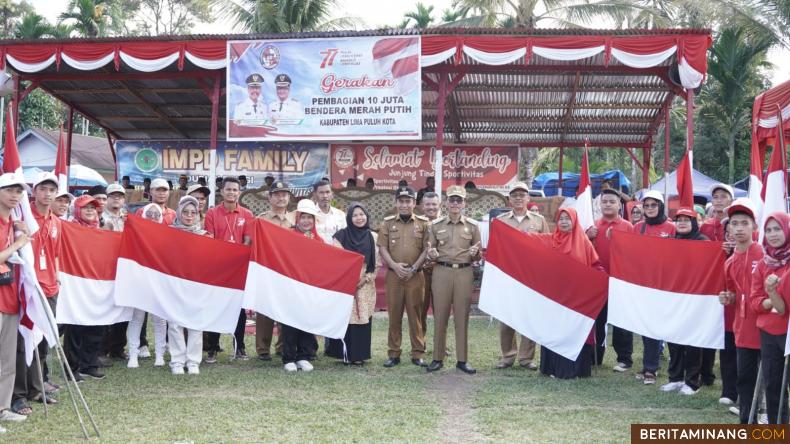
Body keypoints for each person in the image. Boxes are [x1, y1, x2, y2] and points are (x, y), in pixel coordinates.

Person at [535, 208, 603, 379]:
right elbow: (529, 241)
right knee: (555, 330)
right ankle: (552, 368)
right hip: (556, 296)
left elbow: (595, 265)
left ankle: (576, 369)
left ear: (574, 221)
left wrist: (603, 279)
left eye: (568, 219)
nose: (564, 222)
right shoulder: (550, 240)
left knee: (575, 329)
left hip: (577, 298)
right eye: (561, 219)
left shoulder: (584, 242)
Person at [426, 185, 482, 374]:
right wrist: (431, 253)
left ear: (464, 203)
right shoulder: (436, 225)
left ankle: (462, 359)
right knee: (440, 316)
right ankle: (437, 358)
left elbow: (477, 255)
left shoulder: (473, 227)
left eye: (459, 200)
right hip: (442, 271)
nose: (455, 203)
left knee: (462, 317)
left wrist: (476, 254)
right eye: (452, 200)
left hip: (464, 273)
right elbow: (430, 251)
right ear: (446, 203)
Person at [18, 173, 62, 406]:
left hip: (50, 288)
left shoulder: (56, 221)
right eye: (43, 189)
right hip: (29, 287)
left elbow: (55, 254)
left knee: (44, 340)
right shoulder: (24, 218)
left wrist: (57, 281)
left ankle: (37, 388)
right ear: (34, 192)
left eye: (51, 190)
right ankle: (21, 391)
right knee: (26, 340)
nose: (47, 194)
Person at [495, 182, 549, 370]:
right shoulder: (501, 220)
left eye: (522, 195)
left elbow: (547, 247)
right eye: (515, 195)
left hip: (530, 276)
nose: (518, 198)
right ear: (509, 199)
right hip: (508, 275)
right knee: (506, 317)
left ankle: (526, 357)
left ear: (528, 198)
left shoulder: (538, 221)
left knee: (529, 316)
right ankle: (507, 356)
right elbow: (496, 249)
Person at [719, 198, 763, 423]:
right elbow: (735, 295)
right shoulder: (729, 261)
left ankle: (770, 417)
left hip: (766, 328)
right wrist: (728, 298)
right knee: (745, 377)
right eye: (734, 223)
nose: (738, 228)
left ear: (754, 227)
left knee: (772, 379)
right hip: (743, 329)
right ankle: (747, 419)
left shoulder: (764, 255)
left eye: (744, 223)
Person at [378, 187, 430, 368]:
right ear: (396, 203)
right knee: (394, 314)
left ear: (414, 203)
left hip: (415, 276)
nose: (404, 204)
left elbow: (426, 249)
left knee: (416, 315)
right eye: (401, 201)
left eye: (408, 201)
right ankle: (394, 353)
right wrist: (394, 265)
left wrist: (414, 268)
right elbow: (382, 248)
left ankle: (418, 353)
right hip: (394, 276)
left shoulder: (424, 223)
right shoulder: (387, 223)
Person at [203, 177, 254, 363]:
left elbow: (248, 240)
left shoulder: (247, 214)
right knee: (216, 307)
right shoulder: (212, 213)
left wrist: (237, 257)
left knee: (238, 309)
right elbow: (210, 239)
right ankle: (213, 347)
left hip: (239, 267)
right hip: (218, 268)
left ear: (239, 193)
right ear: (222, 192)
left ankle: (239, 346)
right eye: (228, 189)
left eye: (235, 190)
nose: (232, 192)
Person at [660, 208, 709, 396]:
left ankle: (692, 381)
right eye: (678, 219)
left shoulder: (703, 242)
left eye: (686, 220)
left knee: (692, 342)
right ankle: (675, 378)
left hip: (695, 299)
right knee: (673, 339)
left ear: (694, 222)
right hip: (674, 298)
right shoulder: (670, 242)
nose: (681, 223)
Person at [749, 212, 790, 424]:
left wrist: (771, 296)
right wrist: (770, 297)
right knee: (774, 385)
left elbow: (784, 308)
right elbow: (754, 301)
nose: (773, 234)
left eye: (778, 228)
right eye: (768, 229)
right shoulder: (764, 263)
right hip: (769, 333)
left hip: (788, 332)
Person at [586, 188, 633, 369]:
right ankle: (596, 357)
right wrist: (587, 237)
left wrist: (620, 240)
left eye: (611, 201)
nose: (607, 204)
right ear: (600, 204)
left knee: (621, 321)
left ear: (619, 205)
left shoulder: (627, 227)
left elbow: (633, 254)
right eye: (604, 201)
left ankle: (624, 359)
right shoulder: (593, 227)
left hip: (620, 281)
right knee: (598, 320)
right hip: (597, 282)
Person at [327, 203, 379, 365]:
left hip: (366, 284)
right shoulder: (340, 236)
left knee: (362, 316)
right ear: (349, 218)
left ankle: (359, 355)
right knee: (346, 318)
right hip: (346, 284)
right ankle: (344, 354)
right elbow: (337, 260)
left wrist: (364, 280)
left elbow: (376, 263)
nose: (359, 218)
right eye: (355, 215)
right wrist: (350, 281)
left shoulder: (373, 237)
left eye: (362, 214)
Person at [632, 190, 675, 385]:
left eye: (653, 205)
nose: (649, 209)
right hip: (645, 285)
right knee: (647, 326)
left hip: (666, 285)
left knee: (665, 327)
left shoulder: (672, 227)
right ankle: (649, 367)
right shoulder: (638, 228)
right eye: (646, 206)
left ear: (660, 207)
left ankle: (656, 368)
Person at [700, 184, 737, 402]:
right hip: (709, 288)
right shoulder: (705, 226)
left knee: (729, 338)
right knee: (709, 330)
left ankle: (731, 388)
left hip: (731, 289)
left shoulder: (739, 226)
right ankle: (705, 374)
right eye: (715, 196)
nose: (719, 200)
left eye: (724, 196)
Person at [63, 195, 106, 381]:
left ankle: (89, 364)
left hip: (96, 283)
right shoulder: (69, 228)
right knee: (75, 327)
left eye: (93, 207)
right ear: (76, 210)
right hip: (76, 283)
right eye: (85, 207)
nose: (90, 210)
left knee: (96, 324)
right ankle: (72, 367)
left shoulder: (102, 231)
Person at [0, 173, 31, 425]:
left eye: (19, 192)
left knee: (7, 359)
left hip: (11, 299)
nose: (15, 195)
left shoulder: (16, 224)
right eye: (10, 190)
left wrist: (24, 236)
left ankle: (2, 407)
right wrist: (18, 243)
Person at [125, 204, 169, 369]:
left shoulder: (166, 235)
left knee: (160, 319)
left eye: (155, 214)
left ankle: (159, 354)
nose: (152, 217)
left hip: (158, 283)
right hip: (140, 282)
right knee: (137, 319)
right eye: (148, 214)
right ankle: (133, 354)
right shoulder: (135, 235)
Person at [168, 196, 207, 375]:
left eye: (193, 212)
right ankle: (177, 360)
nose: (189, 216)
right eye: (185, 212)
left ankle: (193, 361)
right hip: (175, 283)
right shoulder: (169, 232)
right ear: (179, 212)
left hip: (196, 284)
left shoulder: (204, 236)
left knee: (195, 322)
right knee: (175, 323)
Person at [254, 181, 294, 361]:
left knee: (286, 309)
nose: (281, 197)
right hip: (266, 270)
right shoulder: (261, 220)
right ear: (270, 198)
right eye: (277, 194)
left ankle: (283, 346)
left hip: (287, 272)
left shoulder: (295, 220)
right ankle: (263, 349)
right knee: (264, 310)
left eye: (284, 194)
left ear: (289, 197)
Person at [282, 199, 322, 372]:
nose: (306, 221)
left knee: (307, 321)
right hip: (291, 287)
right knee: (290, 323)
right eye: (303, 217)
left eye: (310, 218)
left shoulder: (319, 240)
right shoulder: (288, 235)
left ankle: (304, 356)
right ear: (297, 218)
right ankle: (289, 358)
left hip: (310, 288)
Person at [100, 183, 128, 362]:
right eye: (113, 195)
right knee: (105, 308)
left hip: (124, 268)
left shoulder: (128, 219)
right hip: (105, 268)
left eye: (119, 195)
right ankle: (102, 349)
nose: (116, 198)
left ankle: (118, 348)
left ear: (124, 199)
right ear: (107, 198)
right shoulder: (100, 217)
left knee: (123, 309)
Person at [419, 191, 441, 341]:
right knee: (420, 309)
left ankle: (440, 343)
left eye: (434, 204)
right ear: (422, 206)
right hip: (421, 273)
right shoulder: (416, 223)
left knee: (441, 310)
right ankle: (421, 341)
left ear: (439, 205)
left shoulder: (446, 223)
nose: (431, 207)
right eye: (427, 204)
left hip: (441, 272)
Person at [312, 179, 346, 245]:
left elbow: (345, 238)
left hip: (336, 253)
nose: (325, 196)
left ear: (332, 194)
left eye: (327, 192)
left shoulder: (340, 215)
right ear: (315, 194)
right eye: (321, 192)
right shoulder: (310, 214)